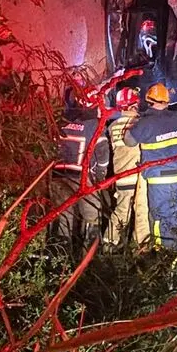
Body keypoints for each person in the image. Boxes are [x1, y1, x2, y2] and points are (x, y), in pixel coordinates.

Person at [124, 83, 177, 252]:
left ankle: (163, 255)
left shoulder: (145, 123)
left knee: (161, 217)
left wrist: (134, 123)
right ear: (167, 101)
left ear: (148, 101)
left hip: (159, 178)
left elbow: (128, 141)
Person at [52, 88, 110, 246]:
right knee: (92, 214)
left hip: (58, 176)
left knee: (63, 216)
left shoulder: (60, 120)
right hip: (82, 178)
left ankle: (61, 258)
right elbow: (103, 154)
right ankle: (88, 258)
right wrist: (100, 175)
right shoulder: (94, 125)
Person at [107, 87, 150, 246]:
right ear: (132, 105)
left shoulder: (113, 127)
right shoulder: (137, 123)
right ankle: (140, 246)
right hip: (137, 176)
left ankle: (109, 243)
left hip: (122, 175)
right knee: (141, 213)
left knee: (121, 212)